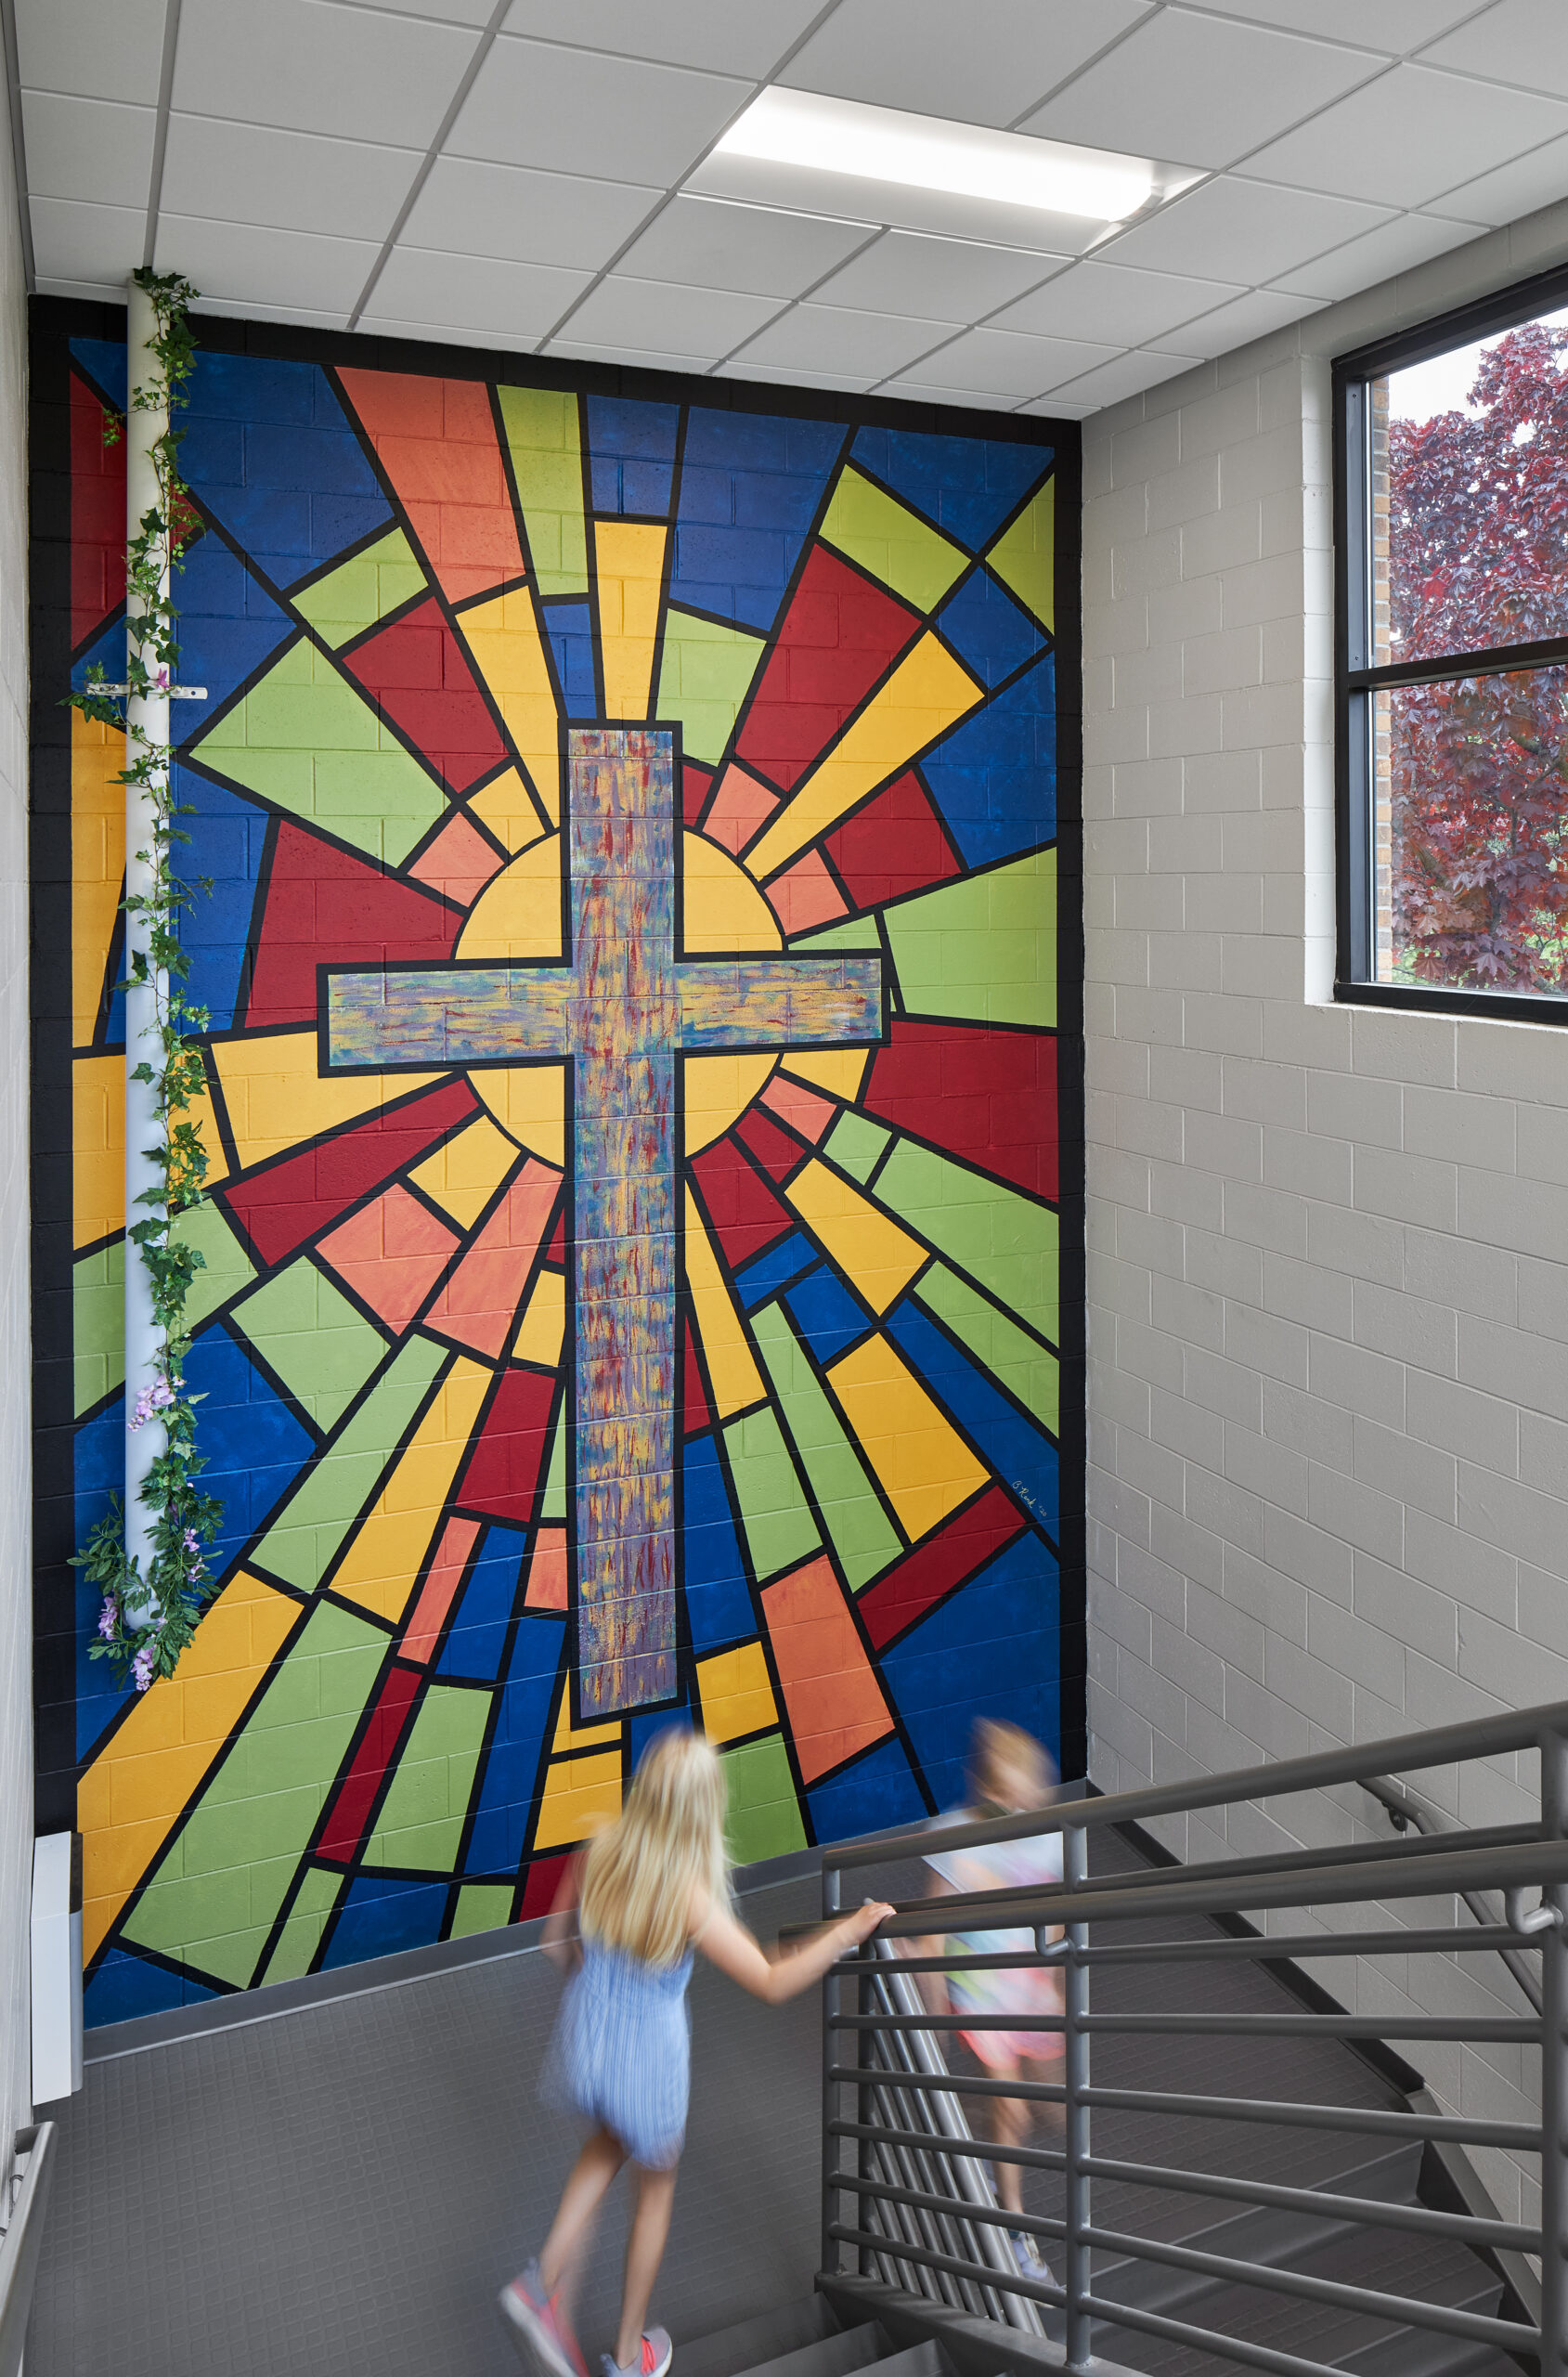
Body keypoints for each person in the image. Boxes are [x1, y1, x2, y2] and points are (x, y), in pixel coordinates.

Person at [500, 1727, 893, 2377]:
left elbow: (553, 1945)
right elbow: (770, 1981)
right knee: (653, 2196)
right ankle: (629, 2356)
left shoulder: (597, 1843)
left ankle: (537, 2282)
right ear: (700, 1812)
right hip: (647, 2064)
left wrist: (597, 1984)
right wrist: (849, 1930)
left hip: (587, 2037)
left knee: (602, 2145)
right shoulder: (688, 1896)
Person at [917, 1719, 1064, 2278]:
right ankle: (1015, 2226)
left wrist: (1053, 1975)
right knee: (1014, 2109)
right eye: (1002, 1792)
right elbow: (931, 1934)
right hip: (979, 1989)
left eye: (1023, 1791)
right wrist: (933, 2016)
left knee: (1050, 2095)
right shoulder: (954, 1838)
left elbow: (1051, 1907)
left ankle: (1011, 2108)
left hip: (1026, 1981)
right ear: (983, 1788)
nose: (1014, 1802)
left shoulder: (1046, 1833)